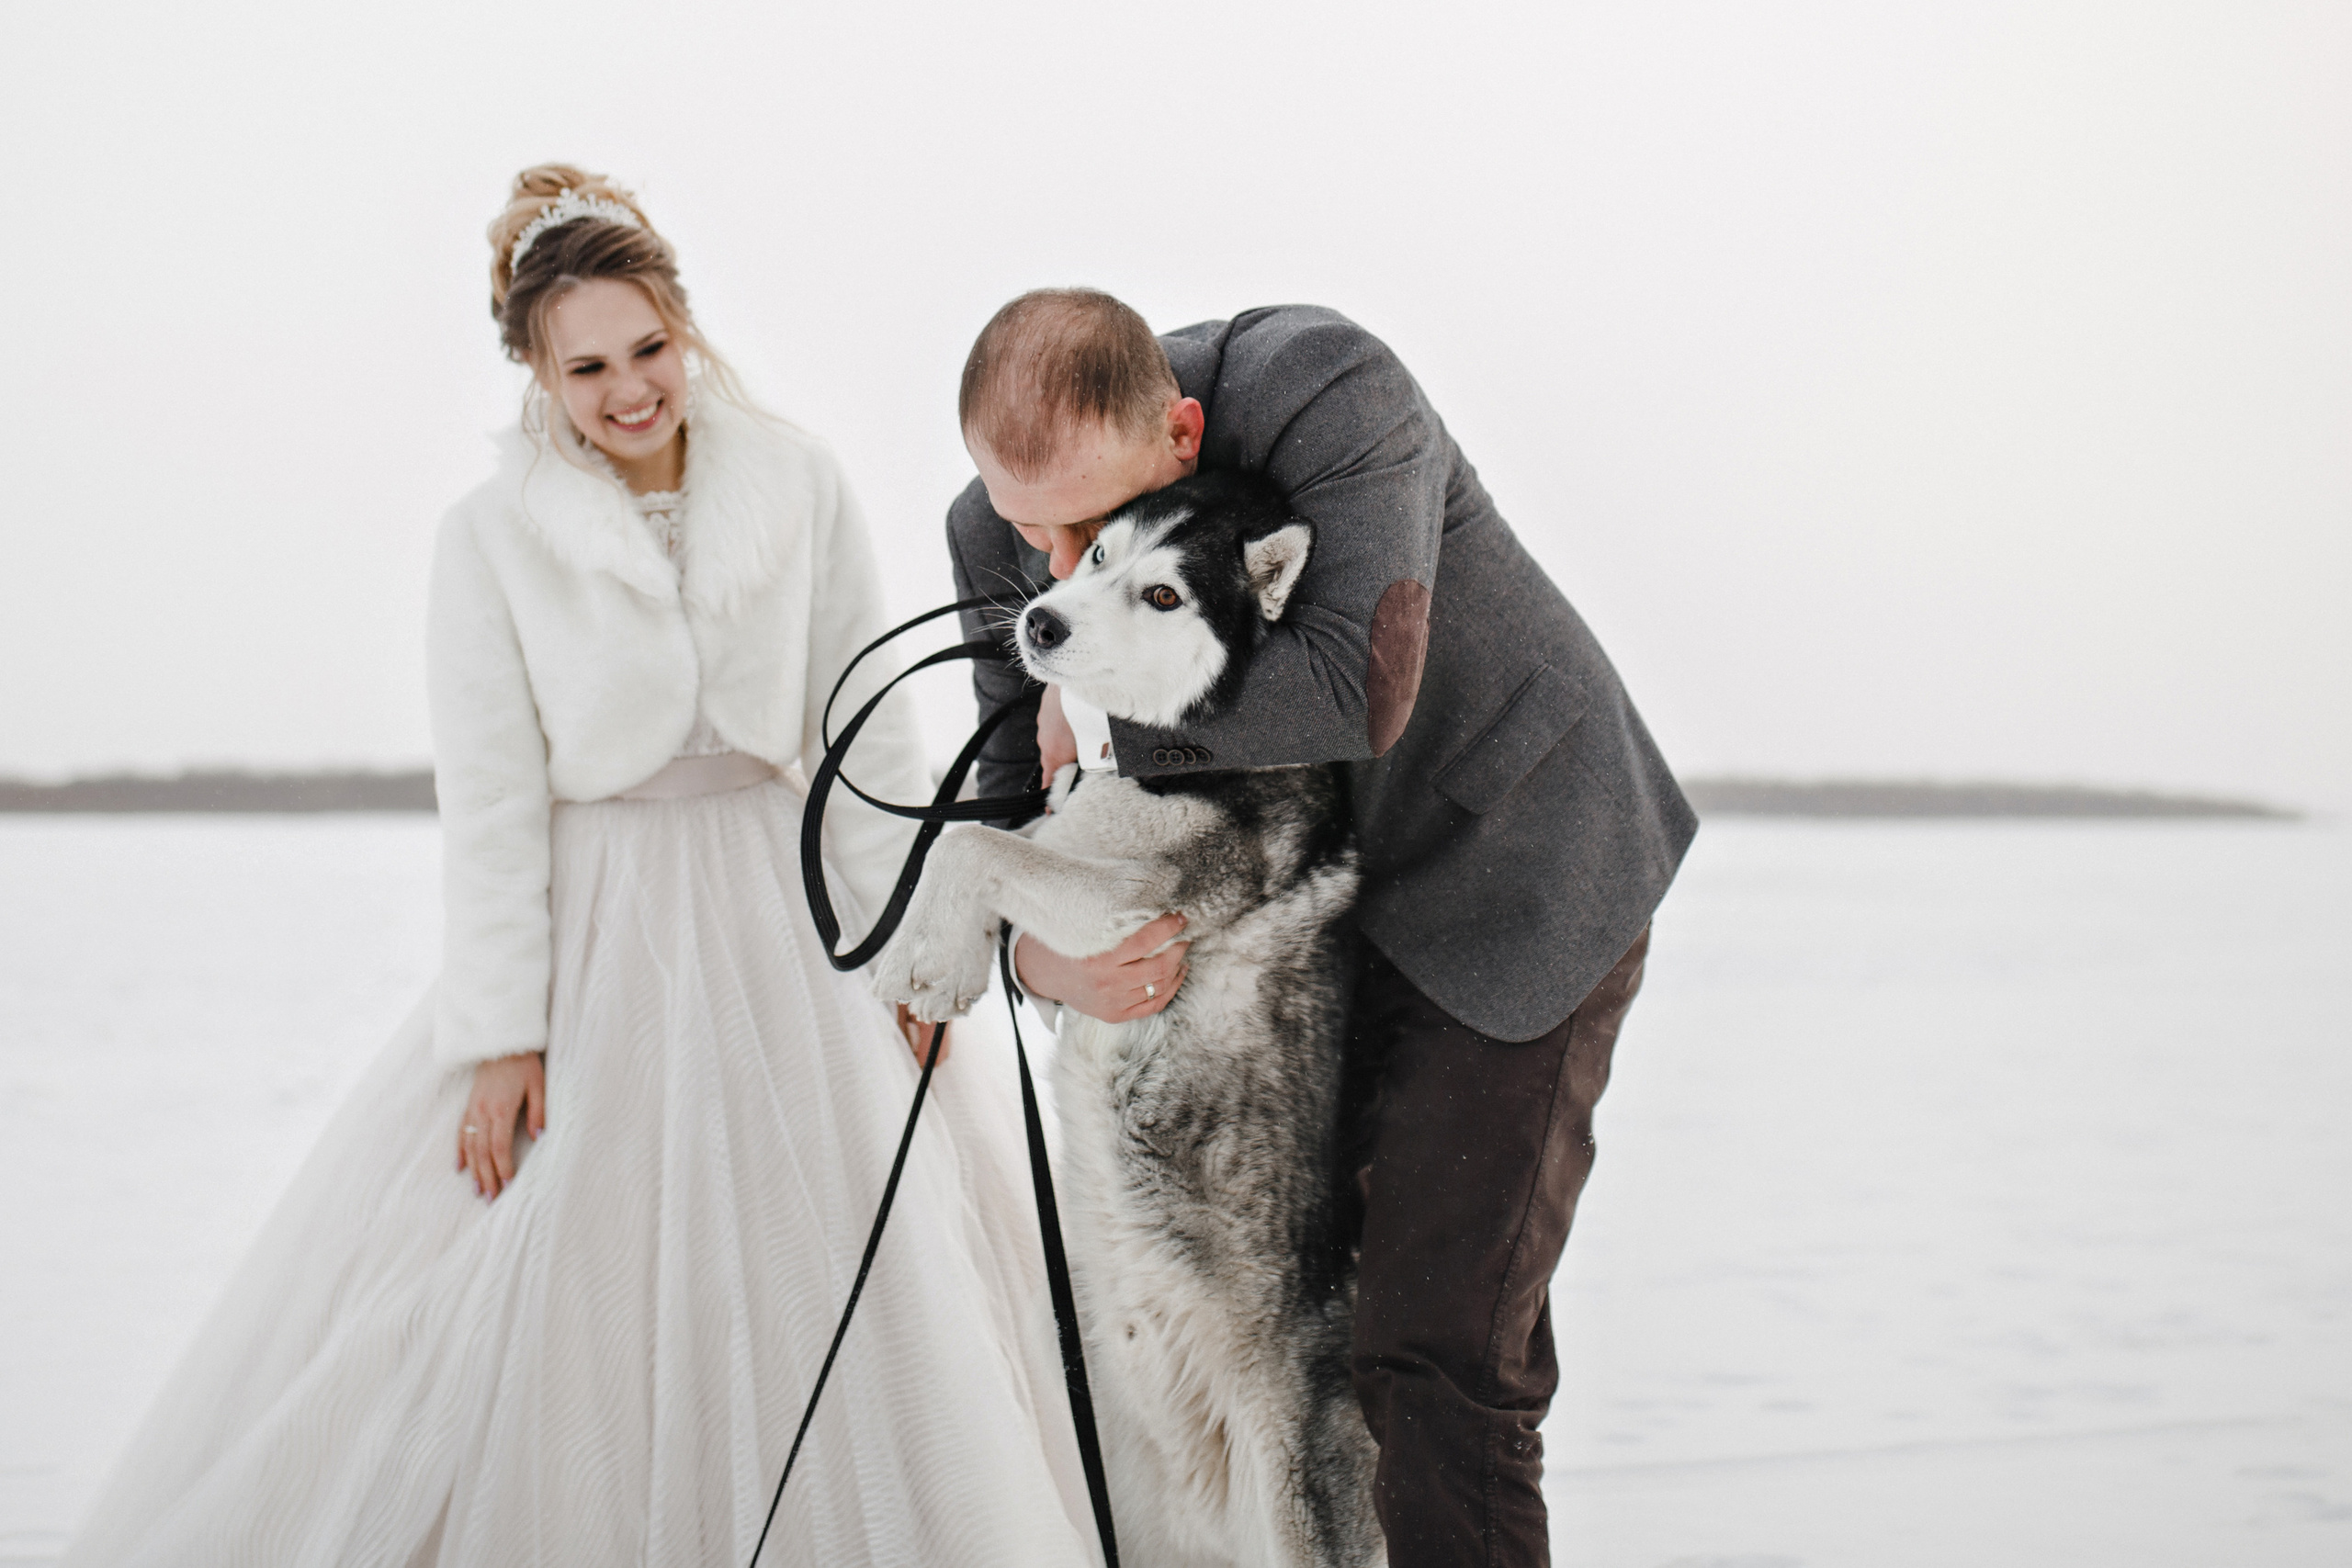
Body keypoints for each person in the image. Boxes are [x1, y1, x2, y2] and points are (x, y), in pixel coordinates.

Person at [62, 170, 1093, 1568]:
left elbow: (862, 738)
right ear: (539, 374)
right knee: (558, 1264)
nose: (629, 391)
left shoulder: (797, 481)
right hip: (604, 918)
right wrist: (503, 1031)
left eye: (648, 349)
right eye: (588, 368)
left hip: (787, 906)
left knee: (856, 1256)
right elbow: (491, 802)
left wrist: (912, 947)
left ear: (685, 326)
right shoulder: (488, 537)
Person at [947, 290, 1698, 1567]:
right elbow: (1009, 793)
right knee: (1289, 1352)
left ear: (1183, 435)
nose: (1063, 573)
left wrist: (1107, 714)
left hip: (1511, 874)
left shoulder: (1330, 386)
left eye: (1096, 529)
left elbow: (1361, 686)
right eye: (1032, 531)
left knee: (1435, 1348)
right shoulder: (992, 525)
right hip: (1293, 929)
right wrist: (1039, 960)